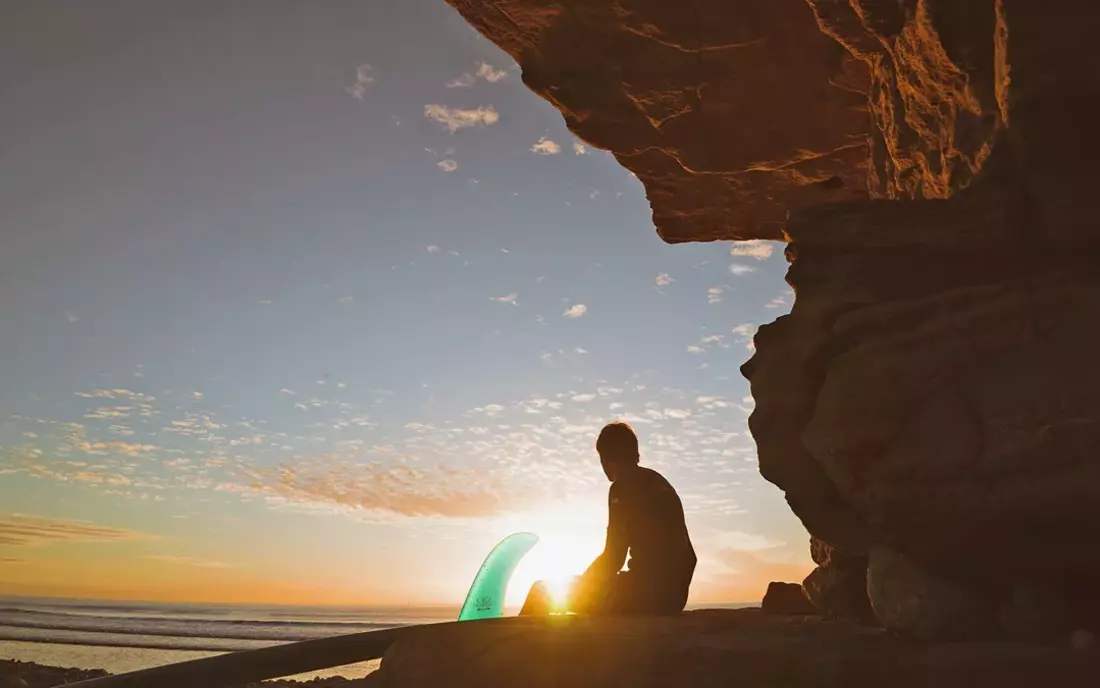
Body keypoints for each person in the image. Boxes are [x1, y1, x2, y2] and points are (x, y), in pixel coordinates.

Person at [520, 421, 696, 616]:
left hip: (644, 597)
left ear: (607, 459)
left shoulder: (623, 487)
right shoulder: (660, 483)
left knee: (541, 592)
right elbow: (690, 557)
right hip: (674, 597)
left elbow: (614, 557)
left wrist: (585, 583)